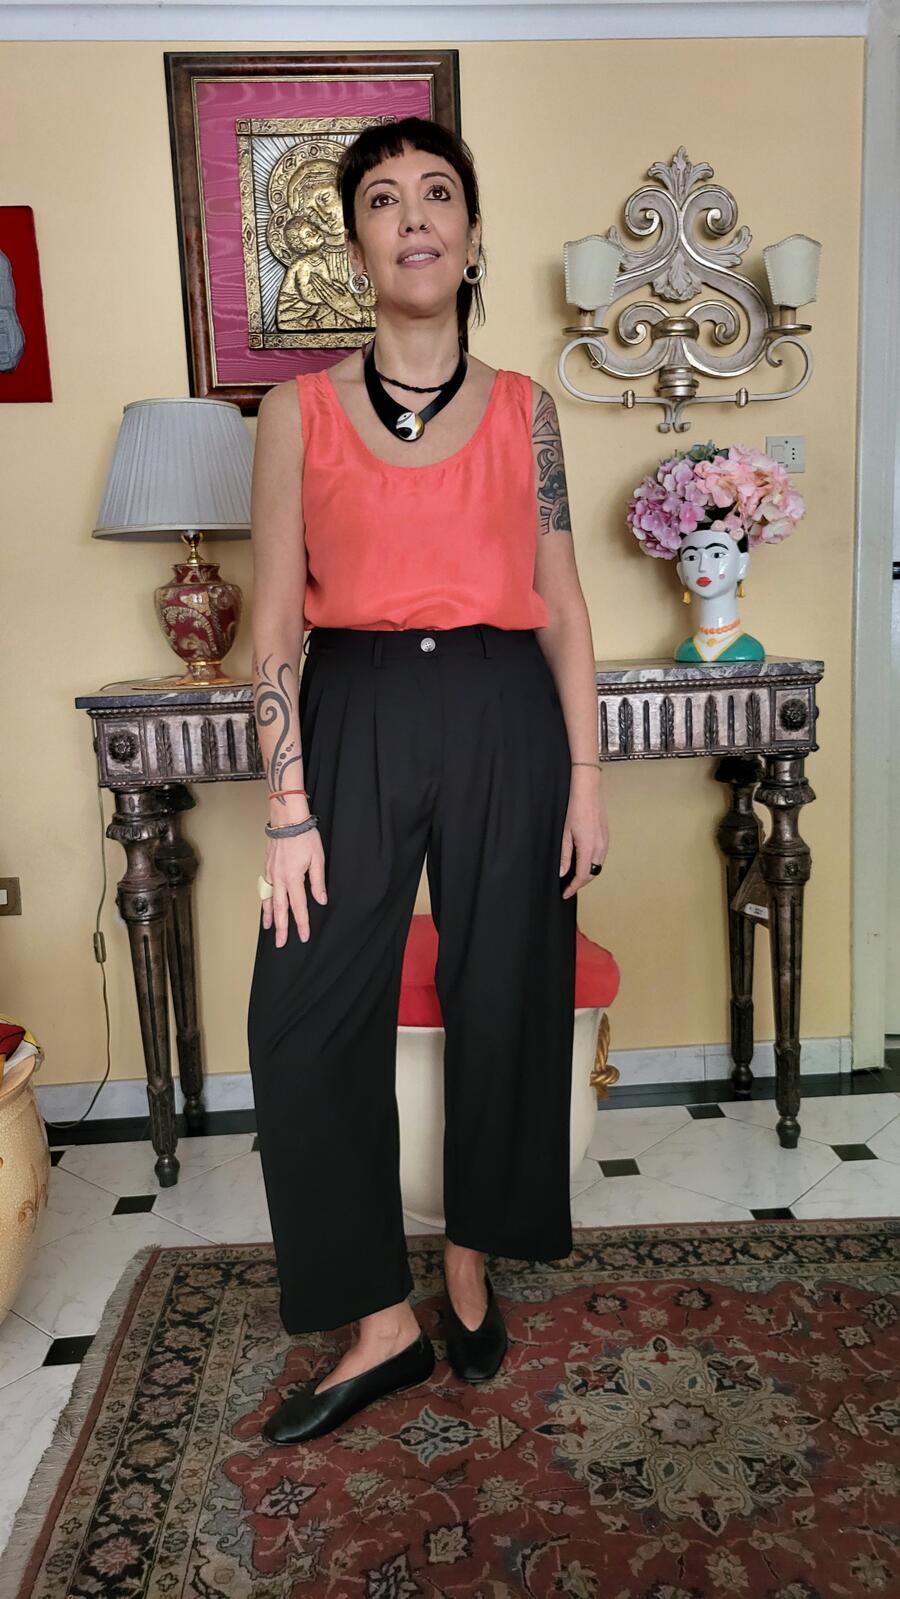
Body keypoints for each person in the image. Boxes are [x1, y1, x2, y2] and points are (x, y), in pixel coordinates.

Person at [246, 116, 609, 1445]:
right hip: (354, 708)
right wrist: (287, 807)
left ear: (470, 234)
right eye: (385, 199)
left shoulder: (526, 411)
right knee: (300, 1013)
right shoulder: (294, 414)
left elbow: (563, 600)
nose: (414, 216)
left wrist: (585, 775)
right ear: (357, 246)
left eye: (437, 192)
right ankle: (376, 1322)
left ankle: (468, 1259)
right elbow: (272, 626)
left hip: (509, 708)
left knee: (506, 988)